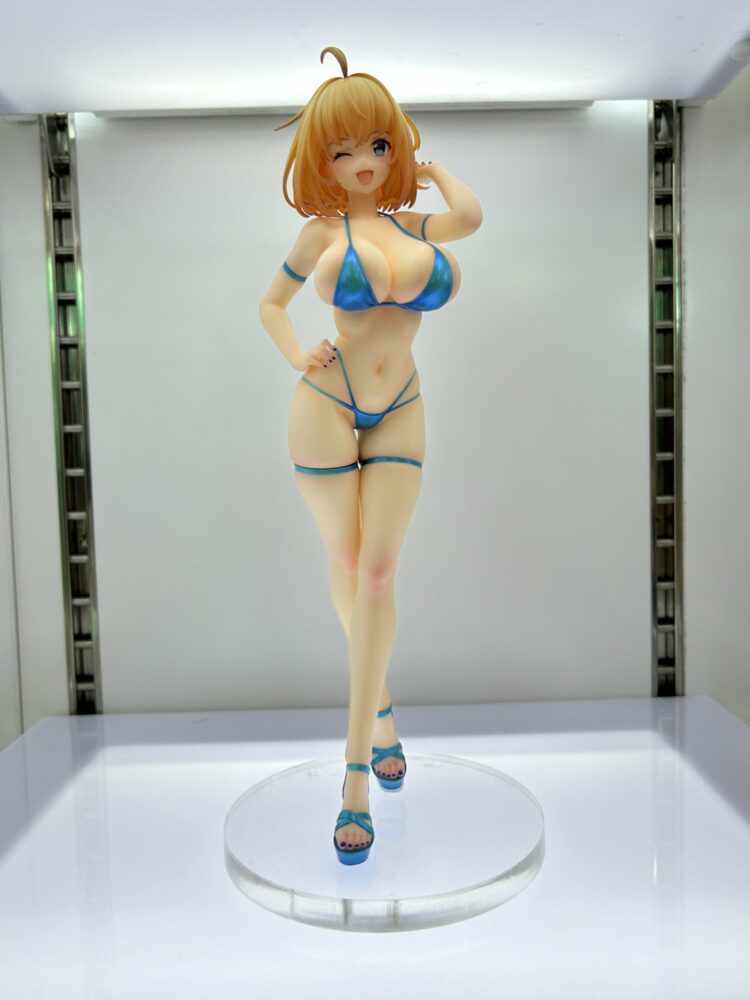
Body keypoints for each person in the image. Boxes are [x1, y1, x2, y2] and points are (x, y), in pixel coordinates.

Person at [258, 45, 482, 865]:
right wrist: (297, 354)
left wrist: (434, 167)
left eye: (379, 145)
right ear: (320, 160)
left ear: (397, 148)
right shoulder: (320, 232)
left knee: (378, 576)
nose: (362, 162)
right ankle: (367, 752)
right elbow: (271, 304)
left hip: (401, 407)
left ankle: (368, 733)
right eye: (343, 149)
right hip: (326, 402)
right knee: (349, 563)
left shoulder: (413, 224)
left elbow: (471, 219)